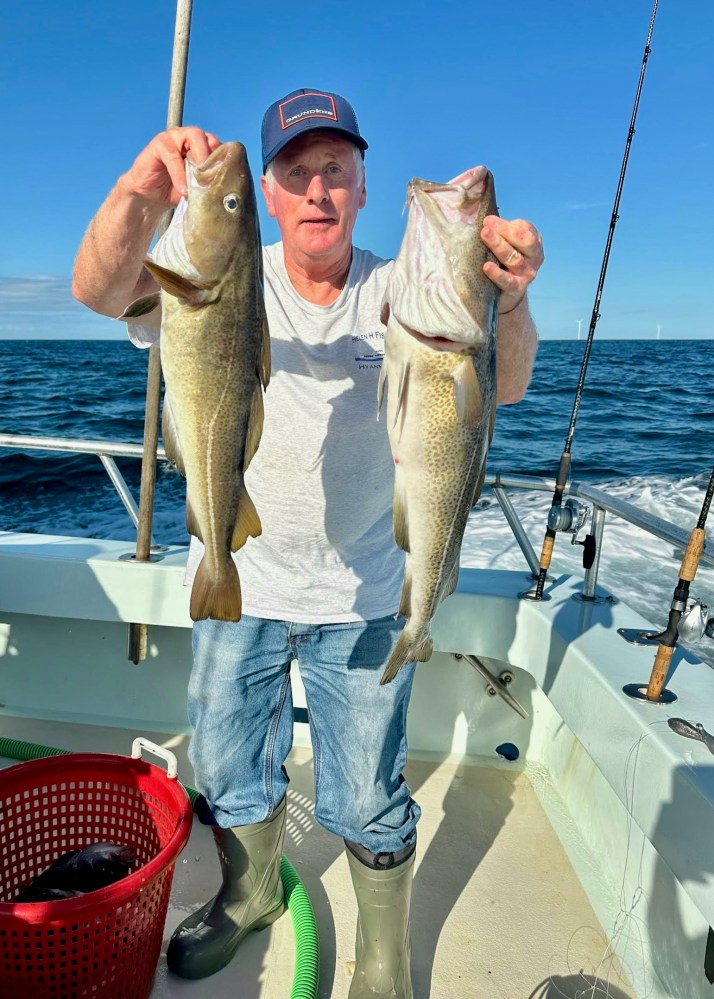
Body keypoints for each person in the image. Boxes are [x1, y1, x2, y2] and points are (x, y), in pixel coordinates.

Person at [72, 88, 543, 997]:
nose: (318, 189)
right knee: (227, 766)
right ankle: (248, 894)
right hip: (238, 576)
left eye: (337, 170)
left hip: (364, 594)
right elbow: (98, 289)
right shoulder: (207, 270)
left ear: (364, 187)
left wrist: (509, 300)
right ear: (275, 197)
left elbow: (504, 383)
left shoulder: (400, 286)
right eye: (295, 173)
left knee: (366, 790)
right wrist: (140, 189)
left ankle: (383, 952)